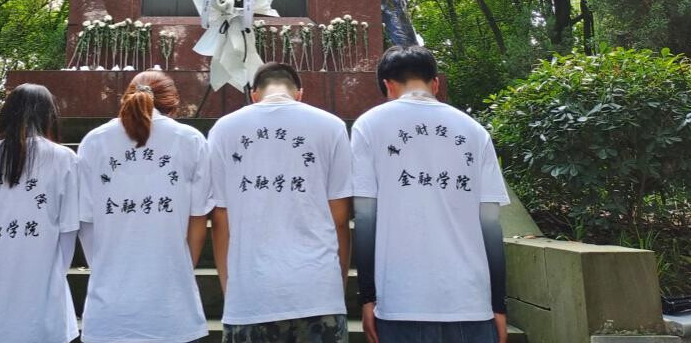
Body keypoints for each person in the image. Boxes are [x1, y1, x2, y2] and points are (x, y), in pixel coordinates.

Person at [351, 47, 509, 343]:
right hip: (471, 303)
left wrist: (367, 297)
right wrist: (499, 305)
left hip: (400, 301)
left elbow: (364, 217)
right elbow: (491, 225)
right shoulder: (475, 132)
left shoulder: (368, 126)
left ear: (387, 85)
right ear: (435, 83)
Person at [208, 62, 353, 343]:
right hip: (317, 290)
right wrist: (337, 285)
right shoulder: (331, 126)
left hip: (250, 293)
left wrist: (230, 288)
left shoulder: (224, 130)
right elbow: (339, 219)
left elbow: (220, 219)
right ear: (300, 93)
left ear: (253, 94)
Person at [76, 70, 213, 343]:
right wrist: (182, 266)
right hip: (171, 305)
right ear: (172, 102)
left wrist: (105, 266)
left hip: (109, 308)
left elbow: (85, 221)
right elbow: (199, 219)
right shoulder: (191, 140)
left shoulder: (95, 141)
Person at [0, 83, 80, 343]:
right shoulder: (63, 159)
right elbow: (68, 229)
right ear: (49, 115)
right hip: (42, 281)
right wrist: (55, 273)